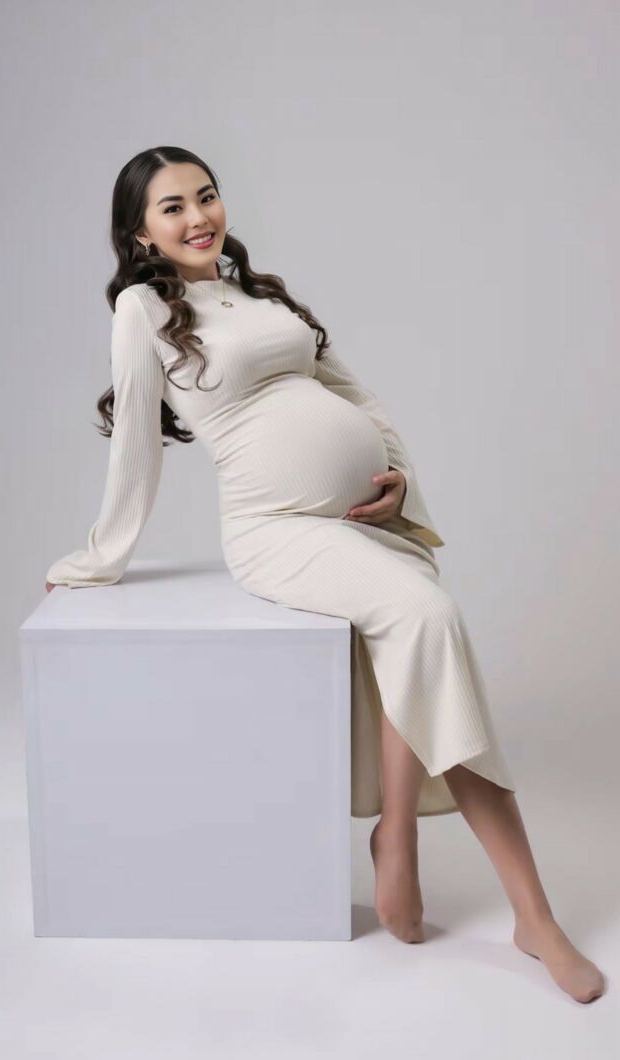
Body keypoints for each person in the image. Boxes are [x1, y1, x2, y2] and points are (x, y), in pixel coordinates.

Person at [46, 145, 605, 1003]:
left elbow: (358, 398)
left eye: (206, 196)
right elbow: (135, 450)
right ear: (140, 232)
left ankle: (399, 838)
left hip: (355, 521)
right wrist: (97, 558)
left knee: (411, 638)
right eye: (172, 207)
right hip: (277, 530)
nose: (199, 216)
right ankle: (530, 913)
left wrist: (400, 477)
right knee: (429, 619)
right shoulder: (142, 309)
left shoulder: (261, 296)